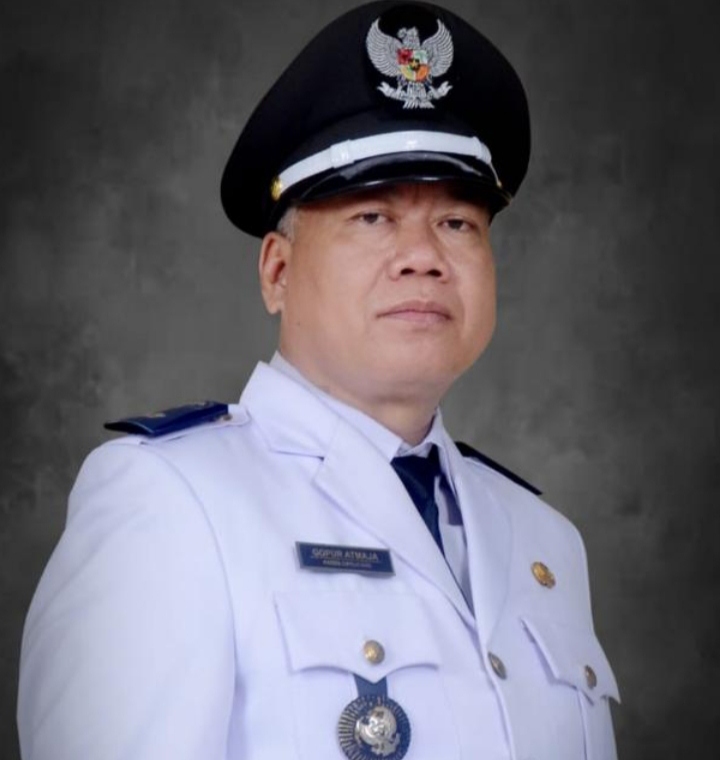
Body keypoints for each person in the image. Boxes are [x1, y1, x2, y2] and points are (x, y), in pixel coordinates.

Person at [17, 2, 620, 759]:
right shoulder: (170, 502)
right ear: (277, 271)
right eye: (372, 217)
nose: (423, 257)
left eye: (457, 223)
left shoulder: (545, 541)